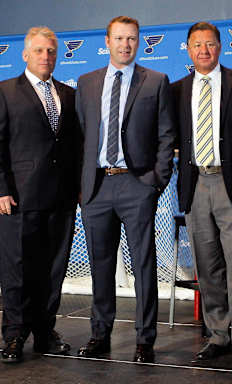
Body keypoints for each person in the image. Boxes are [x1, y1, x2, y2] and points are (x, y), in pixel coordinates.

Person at [75, 16, 175, 363]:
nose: (125, 45)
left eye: (132, 38)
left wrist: (154, 181)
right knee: (101, 266)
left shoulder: (156, 81)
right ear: (107, 42)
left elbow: (166, 135)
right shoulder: (86, 83)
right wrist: (81, 185)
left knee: (144, 266)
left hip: (137, 185)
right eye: (119, 38)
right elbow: (78, 139)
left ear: (139, 42)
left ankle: (144, 339)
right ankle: (99, 335)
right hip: (97, 187)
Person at [0, 26, 81, 363]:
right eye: (39, 51)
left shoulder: (69, 94)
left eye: (51, 51)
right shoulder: (4, 91)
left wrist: (79, 189)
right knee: (17, 271)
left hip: (61, 200)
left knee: (52, 272)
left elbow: (75, 148)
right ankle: (13, 336)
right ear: (25, 54)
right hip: (18, 201)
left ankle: (44, 332)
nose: (46, 56)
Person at [171, 22, 232, 367]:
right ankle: (218, 334)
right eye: (197, 45)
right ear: (188, 50)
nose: (204, 50)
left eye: (210, 44)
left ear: (220, 47)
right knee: (207, 265)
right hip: (196, 184)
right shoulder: (176, 89)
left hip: (231, 183)